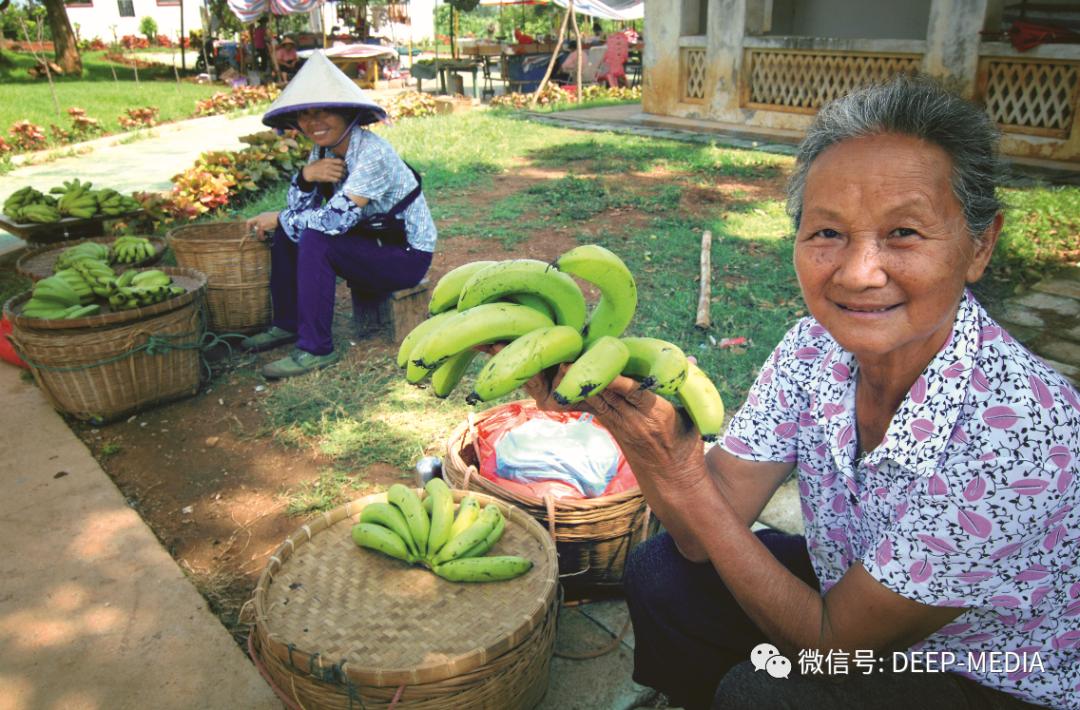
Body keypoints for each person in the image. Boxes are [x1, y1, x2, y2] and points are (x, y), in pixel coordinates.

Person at [519, 75, 1079, 709]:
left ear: (980, 245)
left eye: (904, 233)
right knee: (661, 572)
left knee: (763, 695)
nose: (859, 273)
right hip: (858, 593)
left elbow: (832, 646)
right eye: (827, 233)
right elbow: (704, 531)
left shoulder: (1023, 430)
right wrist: (644, 438)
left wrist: (683, 473)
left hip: (991, 671)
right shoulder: (812, 349)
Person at [243, 52, 436, 379]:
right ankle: (288, 323)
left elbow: (333, 222)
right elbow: (300, 210)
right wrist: (306, 177)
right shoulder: (323, 150)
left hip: (405, 256)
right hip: (368, 244)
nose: (313, 122)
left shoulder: (372, 154)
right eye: (304, 114)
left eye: (324, 111)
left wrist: (280, 217)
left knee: (315, 237)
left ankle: (316, 348)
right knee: (292, 232)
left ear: (347, 113)